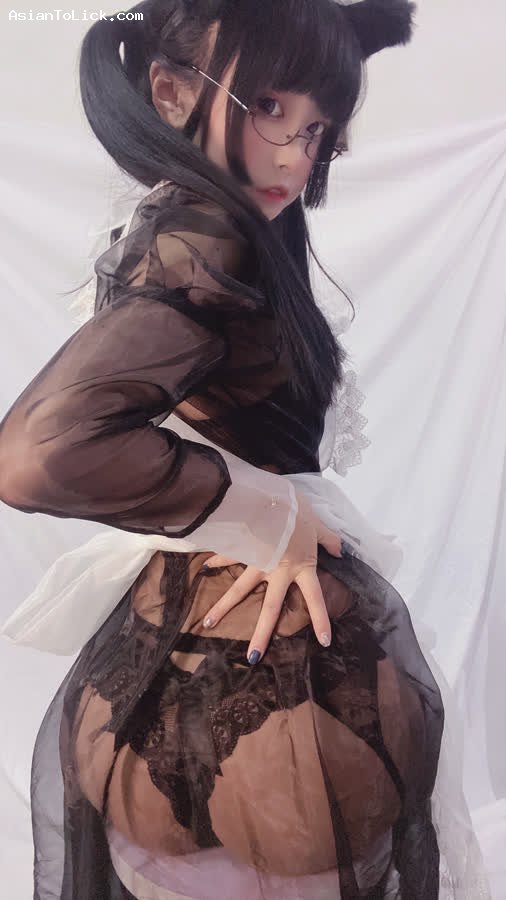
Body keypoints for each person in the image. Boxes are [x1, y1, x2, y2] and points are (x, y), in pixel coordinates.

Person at [0, 1, 482, 897]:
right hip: (269, 669)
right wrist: (267, 511)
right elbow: (40, 453)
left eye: (319, 129)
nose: (297, 156)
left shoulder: (186, 223)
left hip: (182, 643)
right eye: (267, 106)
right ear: (170, 92)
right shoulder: (206, 235)